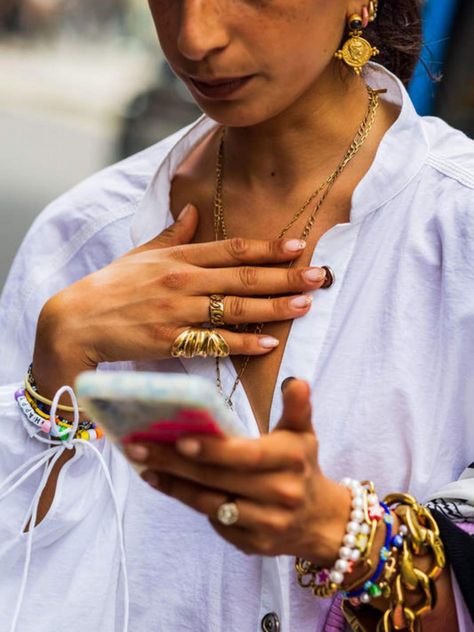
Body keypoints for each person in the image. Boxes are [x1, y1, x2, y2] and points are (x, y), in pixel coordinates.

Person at [0, 0, 473, 630]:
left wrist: (343, 533)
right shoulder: (82, 239)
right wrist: (57, 368)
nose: (196, 38)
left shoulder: (457, 231)